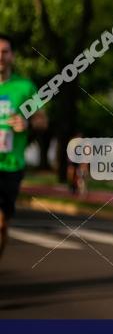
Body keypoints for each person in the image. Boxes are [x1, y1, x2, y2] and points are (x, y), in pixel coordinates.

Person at [0, 34, 47, 262]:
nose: (0, 56)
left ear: (12, 56)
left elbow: (42, 120)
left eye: (5, 52)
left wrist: (27, 122)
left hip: (11, 164)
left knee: (1, 224)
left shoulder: (25, 87)